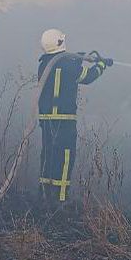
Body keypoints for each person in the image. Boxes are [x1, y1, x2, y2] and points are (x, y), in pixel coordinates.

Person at [37, 28, 110, 204]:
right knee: (65, 156)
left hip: (46, 119)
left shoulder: (44, 64)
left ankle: (44, 195)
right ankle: (61, 198)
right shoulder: (69, 64)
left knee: (48, 154)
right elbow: (88, 76)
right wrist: (101, 65)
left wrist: (77, 58)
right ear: (60, 43)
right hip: (64, 120)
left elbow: (59, 72)